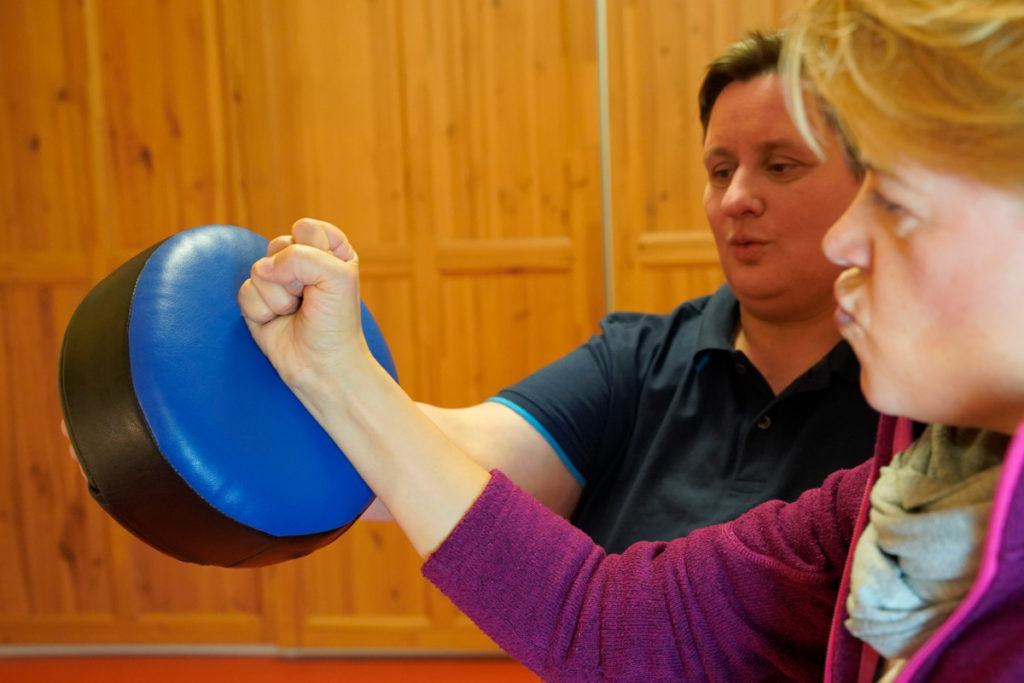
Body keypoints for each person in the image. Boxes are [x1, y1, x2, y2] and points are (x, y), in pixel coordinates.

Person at [239, 0, 1024, 679]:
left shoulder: (908, 414)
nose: (848, 237)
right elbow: (615, 625)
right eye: (720, 170)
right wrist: (333, 380)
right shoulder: (900, 482)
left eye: (892, 200)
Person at [397, 31, 877, 552]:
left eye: (780, 166)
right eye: (720, 172)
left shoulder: (915, 390)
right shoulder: (636, 359)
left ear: (874, 184)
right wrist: (323, 377)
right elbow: (470, 446)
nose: (736, 198)